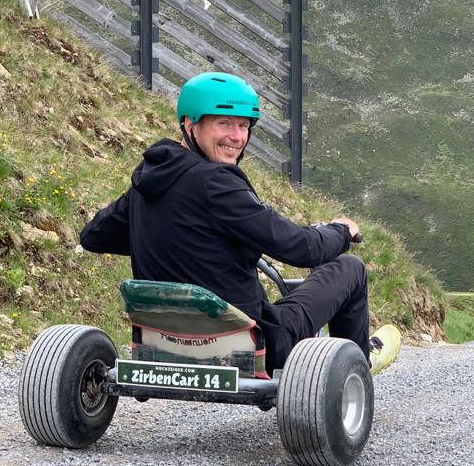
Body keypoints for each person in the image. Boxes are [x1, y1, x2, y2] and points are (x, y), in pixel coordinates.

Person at [79, 71, 376, 374]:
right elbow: (302, 249)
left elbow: (94, 236)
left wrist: (186, 239)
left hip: (162, 344)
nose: (236, 137)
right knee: (349, 268)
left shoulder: (149, 181)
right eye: (224, 123)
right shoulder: (216, 182)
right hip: (250, 348)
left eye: (244, 126)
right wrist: (340, 230)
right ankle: (353, 373)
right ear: (190, 124)